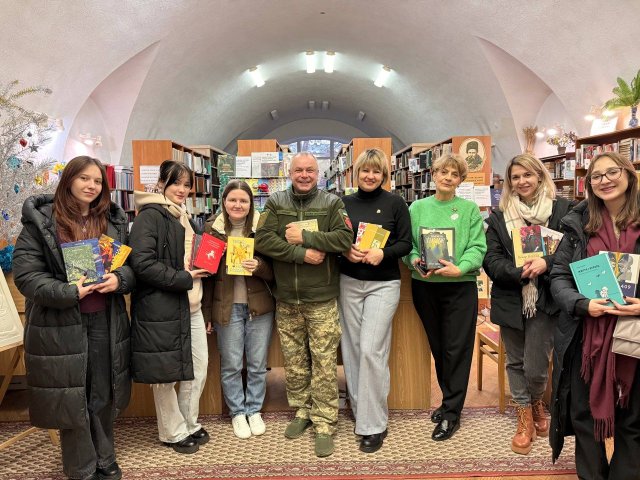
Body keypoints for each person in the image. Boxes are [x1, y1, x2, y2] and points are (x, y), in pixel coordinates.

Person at [13, 156, 135, 480]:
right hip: (61, 323)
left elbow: (129, 266)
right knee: (73, 396)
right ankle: (81, 467)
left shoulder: (112, 220)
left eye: (97, 180)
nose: (91, 185)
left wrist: (119, 279)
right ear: (68, 179)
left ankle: (105, 457)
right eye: (84, 178)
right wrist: (68, 291)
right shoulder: (42, 221)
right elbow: (26, 276)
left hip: (105, 320)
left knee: (103, 391)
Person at [254, 151, 352, 457]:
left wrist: (306, 237)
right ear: (290, 172)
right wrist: (301, 253)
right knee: (295, 362)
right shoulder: (276, 202)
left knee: (323, 363)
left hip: (321, 298)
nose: (305, 175)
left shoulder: (332, 203)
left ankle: (324, 422)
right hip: (286, 298)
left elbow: (344, 239)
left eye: (310, 170)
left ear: (318, 174)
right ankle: (302, 410)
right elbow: (263, 240)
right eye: (299, 170)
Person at [550, 152, 640, 479]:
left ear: (628, 174)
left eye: (612, 172)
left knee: (633, 419)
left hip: (634, 335)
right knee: (583, 416)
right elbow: (559, 276)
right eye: (596, 176)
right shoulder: (578, 223)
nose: (605, 180)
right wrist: (581, 304)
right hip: (585, 335)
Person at [482, 153, 572, 455]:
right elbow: (491, 259)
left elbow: (573, 250)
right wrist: (518, 271)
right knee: (515, 360)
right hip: (511, 297)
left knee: (536, 364)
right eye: (515, 177)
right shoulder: (499, 216)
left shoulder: (563, 211)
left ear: (540, 176)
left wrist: (546, 263)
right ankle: (524, 415)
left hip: (546, 298)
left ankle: (535, 402)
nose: (522, 182)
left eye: (527, 175)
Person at [128, 160, 210, 455]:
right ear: (161, 183)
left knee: (197, 368)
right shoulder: (150, 216)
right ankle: (172, 431)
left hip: (191, 306)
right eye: (176, 183)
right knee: (166, 375)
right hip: (162, 308)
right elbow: (141, 263)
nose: (182, 190)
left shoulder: (184, 216)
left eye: (187, 185)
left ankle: (188, 422)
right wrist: (184, 278)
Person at [403, 153, 487, 441]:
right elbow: (408, 244)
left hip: (459, 286)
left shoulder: (469, 209)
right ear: (434, 174)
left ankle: (452, 413)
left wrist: (460, 268)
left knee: (456, 350)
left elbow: (477, 247)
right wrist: (414, 259)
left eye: (455, 174)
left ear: (460, 180)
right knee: (439, 348)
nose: (448, 177)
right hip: (425, 286)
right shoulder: (417, 207)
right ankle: (449, 400)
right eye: (443, 172)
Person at [338, 148, 412, 453]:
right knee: (352, 349)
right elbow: (334, 240)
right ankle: (360, 411)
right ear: (356, 173)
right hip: (348, 281)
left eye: (376, 171)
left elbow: (406, 243)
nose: (370, 176)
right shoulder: (342, 203)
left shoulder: (395, 203)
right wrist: (344, 251)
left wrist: (384, 253)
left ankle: (374, 424)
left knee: (371, 350)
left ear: (385, 174)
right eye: (365, 170)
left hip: (383, 284)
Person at [202, 180, 275, 439]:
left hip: (259, 307)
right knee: (231, 364)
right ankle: (237, 412)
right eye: (232, 199)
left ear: (251, 204)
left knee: (257, 363)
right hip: (227, 307)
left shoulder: (263, 227)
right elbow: (206, 276)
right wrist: (207, 313)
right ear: (224, 202)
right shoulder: (212, 229)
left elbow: (276, 268)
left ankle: (254, 410)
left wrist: (259, 266)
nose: (238, 205)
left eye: (243, 200)